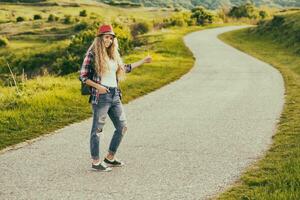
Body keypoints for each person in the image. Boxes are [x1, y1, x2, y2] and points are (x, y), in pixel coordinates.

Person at [79, 24, 152, 172]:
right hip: (101, 95)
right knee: (97, 130)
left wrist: (143, 61)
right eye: (106, 37)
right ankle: (95, 161)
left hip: (115, 95)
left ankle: (110, 157)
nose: (109, 40)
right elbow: (83, 77)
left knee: (122, 127)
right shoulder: (92, 54)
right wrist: (98, 87)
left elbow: (125, 68)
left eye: (111, 38)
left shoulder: (112, 54)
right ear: (100, 38)